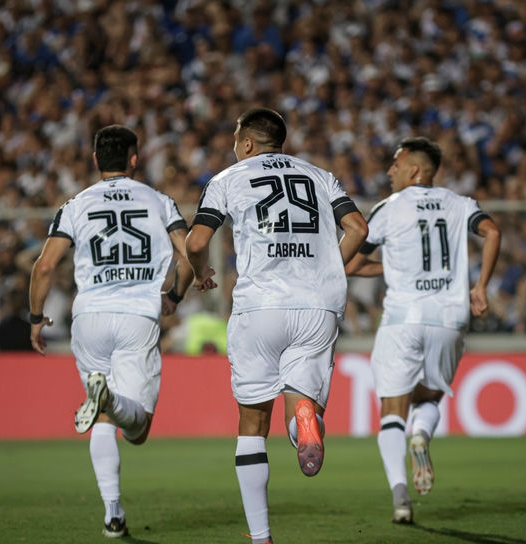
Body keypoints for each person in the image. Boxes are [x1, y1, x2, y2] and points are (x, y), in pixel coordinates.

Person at [185, 108, 369, 544]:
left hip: (260, 306)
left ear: (247, 143)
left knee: (252, 425)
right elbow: (358, 228)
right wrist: (327, 271)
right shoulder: (320, 176)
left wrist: (199, 272)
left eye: (235, 138)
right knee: (302, 404)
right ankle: (305, 418)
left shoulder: (228, 179)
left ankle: (261, 537)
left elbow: (196, 242)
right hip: (316, 307)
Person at [28, 125, 197, 539]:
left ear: (94, 160)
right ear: (135, 160)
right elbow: (188, 255)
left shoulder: (76, 203)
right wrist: (174, 294)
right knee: (136, 430)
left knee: (103, 416)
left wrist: (35, 319)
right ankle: (111, 399)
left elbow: (45, 266)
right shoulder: (160, 201)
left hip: (88, 317)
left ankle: (113, 514)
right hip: (137, 315)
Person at [346, 137, 502, 524]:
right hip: (450, 318)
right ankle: (423, 435)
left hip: (403, 318)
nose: (389, 171)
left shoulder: (388, 208)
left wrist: (395, 266)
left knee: (391, 411)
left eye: (396, 165)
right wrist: (480, 287)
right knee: (429, 398)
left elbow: (348, 264)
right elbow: (494, 233)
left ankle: (401, 496)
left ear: (414, 170)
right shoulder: (459, 203)